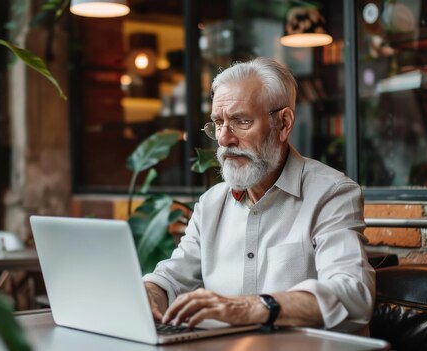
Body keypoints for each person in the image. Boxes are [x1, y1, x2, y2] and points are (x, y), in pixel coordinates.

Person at [143, 57, 375, 334]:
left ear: (284, 123)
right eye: (218, 123)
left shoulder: (331, 194)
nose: (224, 139)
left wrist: (253, 308)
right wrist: (149, 293)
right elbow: (171, 277)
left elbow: (353, 294)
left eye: (241, 121)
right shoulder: (211, 205)